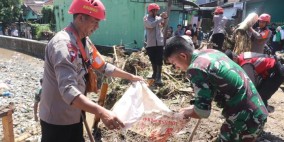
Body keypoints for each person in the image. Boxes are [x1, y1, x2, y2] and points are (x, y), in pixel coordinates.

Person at [39, 0, 144, 141]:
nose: (97, 27)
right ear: (80, 18)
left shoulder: (84, 41)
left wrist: (131, 76)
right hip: (57, 120)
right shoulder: (63, 46)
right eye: (95, 22)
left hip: (75, 113)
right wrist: (102, 112)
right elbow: (68, 90)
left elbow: (103, 66)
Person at [164, 35, 268, 142]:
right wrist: (191, 108)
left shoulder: (196, 68)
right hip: (255, 112)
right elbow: (211, 92)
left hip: (244, 119)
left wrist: (184, 114)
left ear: (183, 56)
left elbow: (203, 112)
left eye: (174, 63)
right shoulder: (211, 53)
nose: (175, 68)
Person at [144, 3, 168, 85]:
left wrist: (164, 19)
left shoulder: (158, 18)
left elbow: (162, 25)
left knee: (159, 60)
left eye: (157, 10)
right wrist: (161, 18)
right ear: (151, 11)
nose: (157, 12)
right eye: (155, 10)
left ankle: (159, 77)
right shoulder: (146, 18)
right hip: (150, 44)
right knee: (153, 60)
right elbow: (151, 25)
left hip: (159, 43)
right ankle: (154, 74)